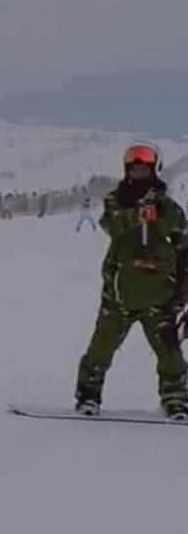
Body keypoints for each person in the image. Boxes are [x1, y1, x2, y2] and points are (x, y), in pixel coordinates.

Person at [75, 143, 187, 418]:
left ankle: (175, 399)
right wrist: (137, 216)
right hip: (119, 296)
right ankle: (88, 396)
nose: (138, 169)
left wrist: (183, 290)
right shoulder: (116, 201)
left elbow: (184, 248)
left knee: (169, 354)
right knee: (100, 348)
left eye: (144, 166)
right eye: (134, 165)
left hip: (160, 297)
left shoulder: (169, 209)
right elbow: (111, 226)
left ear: (153, 168)